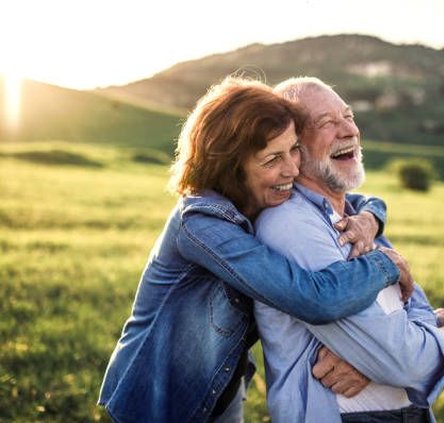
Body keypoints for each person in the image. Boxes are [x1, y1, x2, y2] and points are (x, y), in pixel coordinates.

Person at [97, 76, 414, 423]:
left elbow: (352, 199)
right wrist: (385, 264)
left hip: (222, 389)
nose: (292, 169)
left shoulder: (257, 198)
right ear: (232, 167)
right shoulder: (201, 225)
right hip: (159, 400)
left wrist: (370, 218)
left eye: (293, 149)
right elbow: (313, 299)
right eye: (272, 159)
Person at [254, 76, 444, 423]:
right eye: (326, 123)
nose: (348, 131)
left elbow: (414, 307)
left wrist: (376, 361)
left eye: (349, 116)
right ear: (294, 147)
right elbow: (403, 361)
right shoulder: (290, 225)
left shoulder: (358, 220)